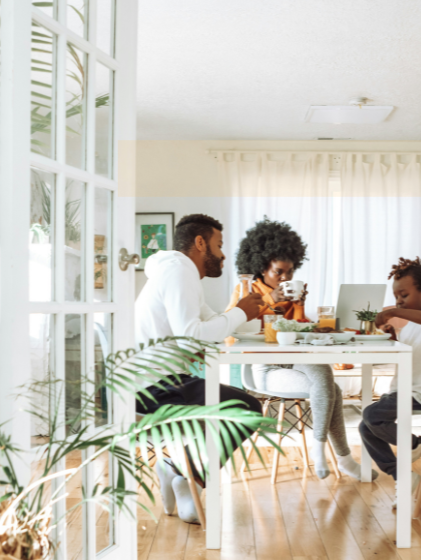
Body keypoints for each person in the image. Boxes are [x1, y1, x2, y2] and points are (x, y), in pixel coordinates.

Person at [135, 213, 264, 524]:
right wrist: (239, 312)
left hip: (158, 379)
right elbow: (193, 335)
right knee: (247, 408)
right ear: (200, 242)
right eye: (219, 245)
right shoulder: (179, 272)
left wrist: (237, 316)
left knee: (237, 405)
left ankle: (178, 471)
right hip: (148, 387)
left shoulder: (178, 272)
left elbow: (206, 324)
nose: (222, 255)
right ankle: (183, 476)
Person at [226, 218, 373, 480]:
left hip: (293, 359)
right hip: (264, 367)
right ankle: (340, 458)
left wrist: (301, 307)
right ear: (261, 267)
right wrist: (271, 300)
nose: (285, 278)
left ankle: (329, 454)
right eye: (278, 272)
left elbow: (296, 332)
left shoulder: (291, 293)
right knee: (332, 389)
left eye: (290, 272)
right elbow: (231, 333)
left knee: (325, 376)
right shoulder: (247, 291)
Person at [358, 257, 421, 494]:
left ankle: (416, 443)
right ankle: (402, 476)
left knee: (371, 415)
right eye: (397, 296)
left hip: (420, 393)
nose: (399, 301)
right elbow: (407, 353)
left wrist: (394, 313)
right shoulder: (410, 326)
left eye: (404, 295)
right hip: (401, 391)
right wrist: (392, 335)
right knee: (366, 427)